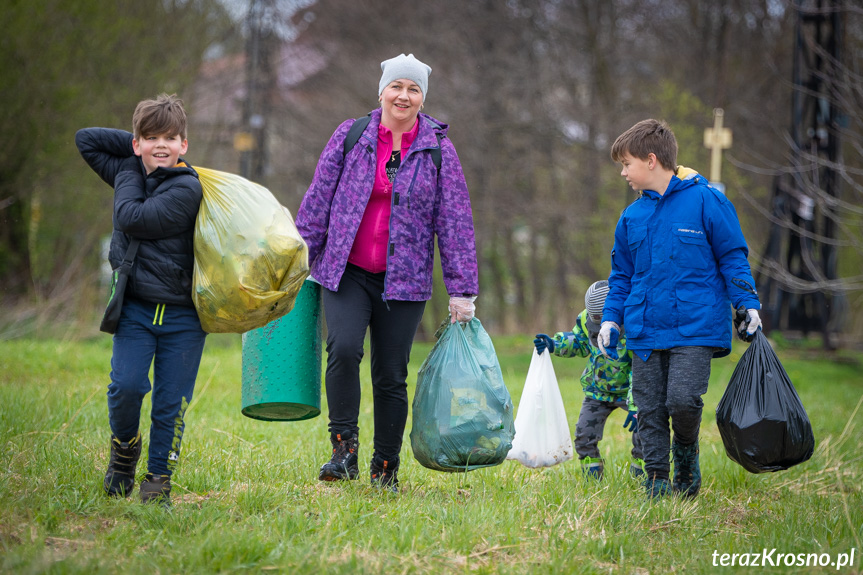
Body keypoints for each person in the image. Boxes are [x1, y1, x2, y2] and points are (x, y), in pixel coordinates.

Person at [295, 54, 479, 492]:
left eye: (414, 89)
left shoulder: (437, 149)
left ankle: (385, 468)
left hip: (406, 281)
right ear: (381, 91)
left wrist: (462, 291)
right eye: (397, 86)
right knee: (341, 350)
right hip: (346, 271)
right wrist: (298, 256)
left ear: (422, 98)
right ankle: (343, 450)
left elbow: (454, 221)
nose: (404, 95)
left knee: (391, 374)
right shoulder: (352, 135)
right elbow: (319, 199)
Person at [598, 119, 761, 499]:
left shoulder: (708, 201)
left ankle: (685, 461)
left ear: (651, 160)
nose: (623, 172)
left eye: (626, 164)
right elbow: (621, 275)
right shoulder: (631, 217)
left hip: (695, 326)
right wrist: (610, 318)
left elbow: (733, 258)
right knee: (650, 409)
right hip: (644, 328)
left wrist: (747, 304)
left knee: (683, 402)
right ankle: (656, 481)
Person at [76, 93, 206, 506]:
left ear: (185, 144)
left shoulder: (188, 188)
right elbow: (86, 140)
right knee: (126, 387)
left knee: (170, 403)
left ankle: (158, 481)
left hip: (184, 318)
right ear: (137, 142)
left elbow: (132, 217)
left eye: (170, 137)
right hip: (135, 308)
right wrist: (137, 150)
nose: (161, 145)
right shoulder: (133, 164)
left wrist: (132, 164)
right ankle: (124, 452)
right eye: (151, 138)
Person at [534, 280, 643, 481]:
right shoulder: (585, 321)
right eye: (594, 319)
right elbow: (579, 342)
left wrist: (638, 406)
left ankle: (643, 474)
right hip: (597, 392)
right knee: (584, 436)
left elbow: (640, 370)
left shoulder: (633, 325)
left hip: (629, 391)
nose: (596, 323)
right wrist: (554, 345)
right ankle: (592, 479)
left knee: (646, 433)